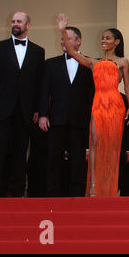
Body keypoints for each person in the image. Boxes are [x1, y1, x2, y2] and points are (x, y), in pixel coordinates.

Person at [57, 13, 129, 197]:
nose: (103, 41)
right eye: (102, 38)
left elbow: (128, 85)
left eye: (107, 38)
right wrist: (62, 29)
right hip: (98, 104)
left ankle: (111, 187)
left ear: (117, 42)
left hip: (115, 104)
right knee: (96, 142)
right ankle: (93, 186)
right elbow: (72, 52)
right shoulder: (93, 62)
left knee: (113, 146)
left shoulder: (123, 62)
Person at [0, 12, 45, 197]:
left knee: (20, 153)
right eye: (13, 21)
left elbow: (39, 84)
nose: (15, 24)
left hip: (25, 111)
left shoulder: (38, 51)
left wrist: (38, 109)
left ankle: (18, 194)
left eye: (19, 21)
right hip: (2, 109)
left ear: (28, 25)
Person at [39, 26, 94, 197]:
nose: (64, 42)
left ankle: (77, 198)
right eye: (62, 38)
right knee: (53, 160)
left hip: (80, 121)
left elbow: (92, 95)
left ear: (78, 41)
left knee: (77, 161)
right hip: (56, 120)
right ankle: (52, 197)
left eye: (68, 38)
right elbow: (44, 91)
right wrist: (43, 114)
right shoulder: (51, 63)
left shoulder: (90, 64)